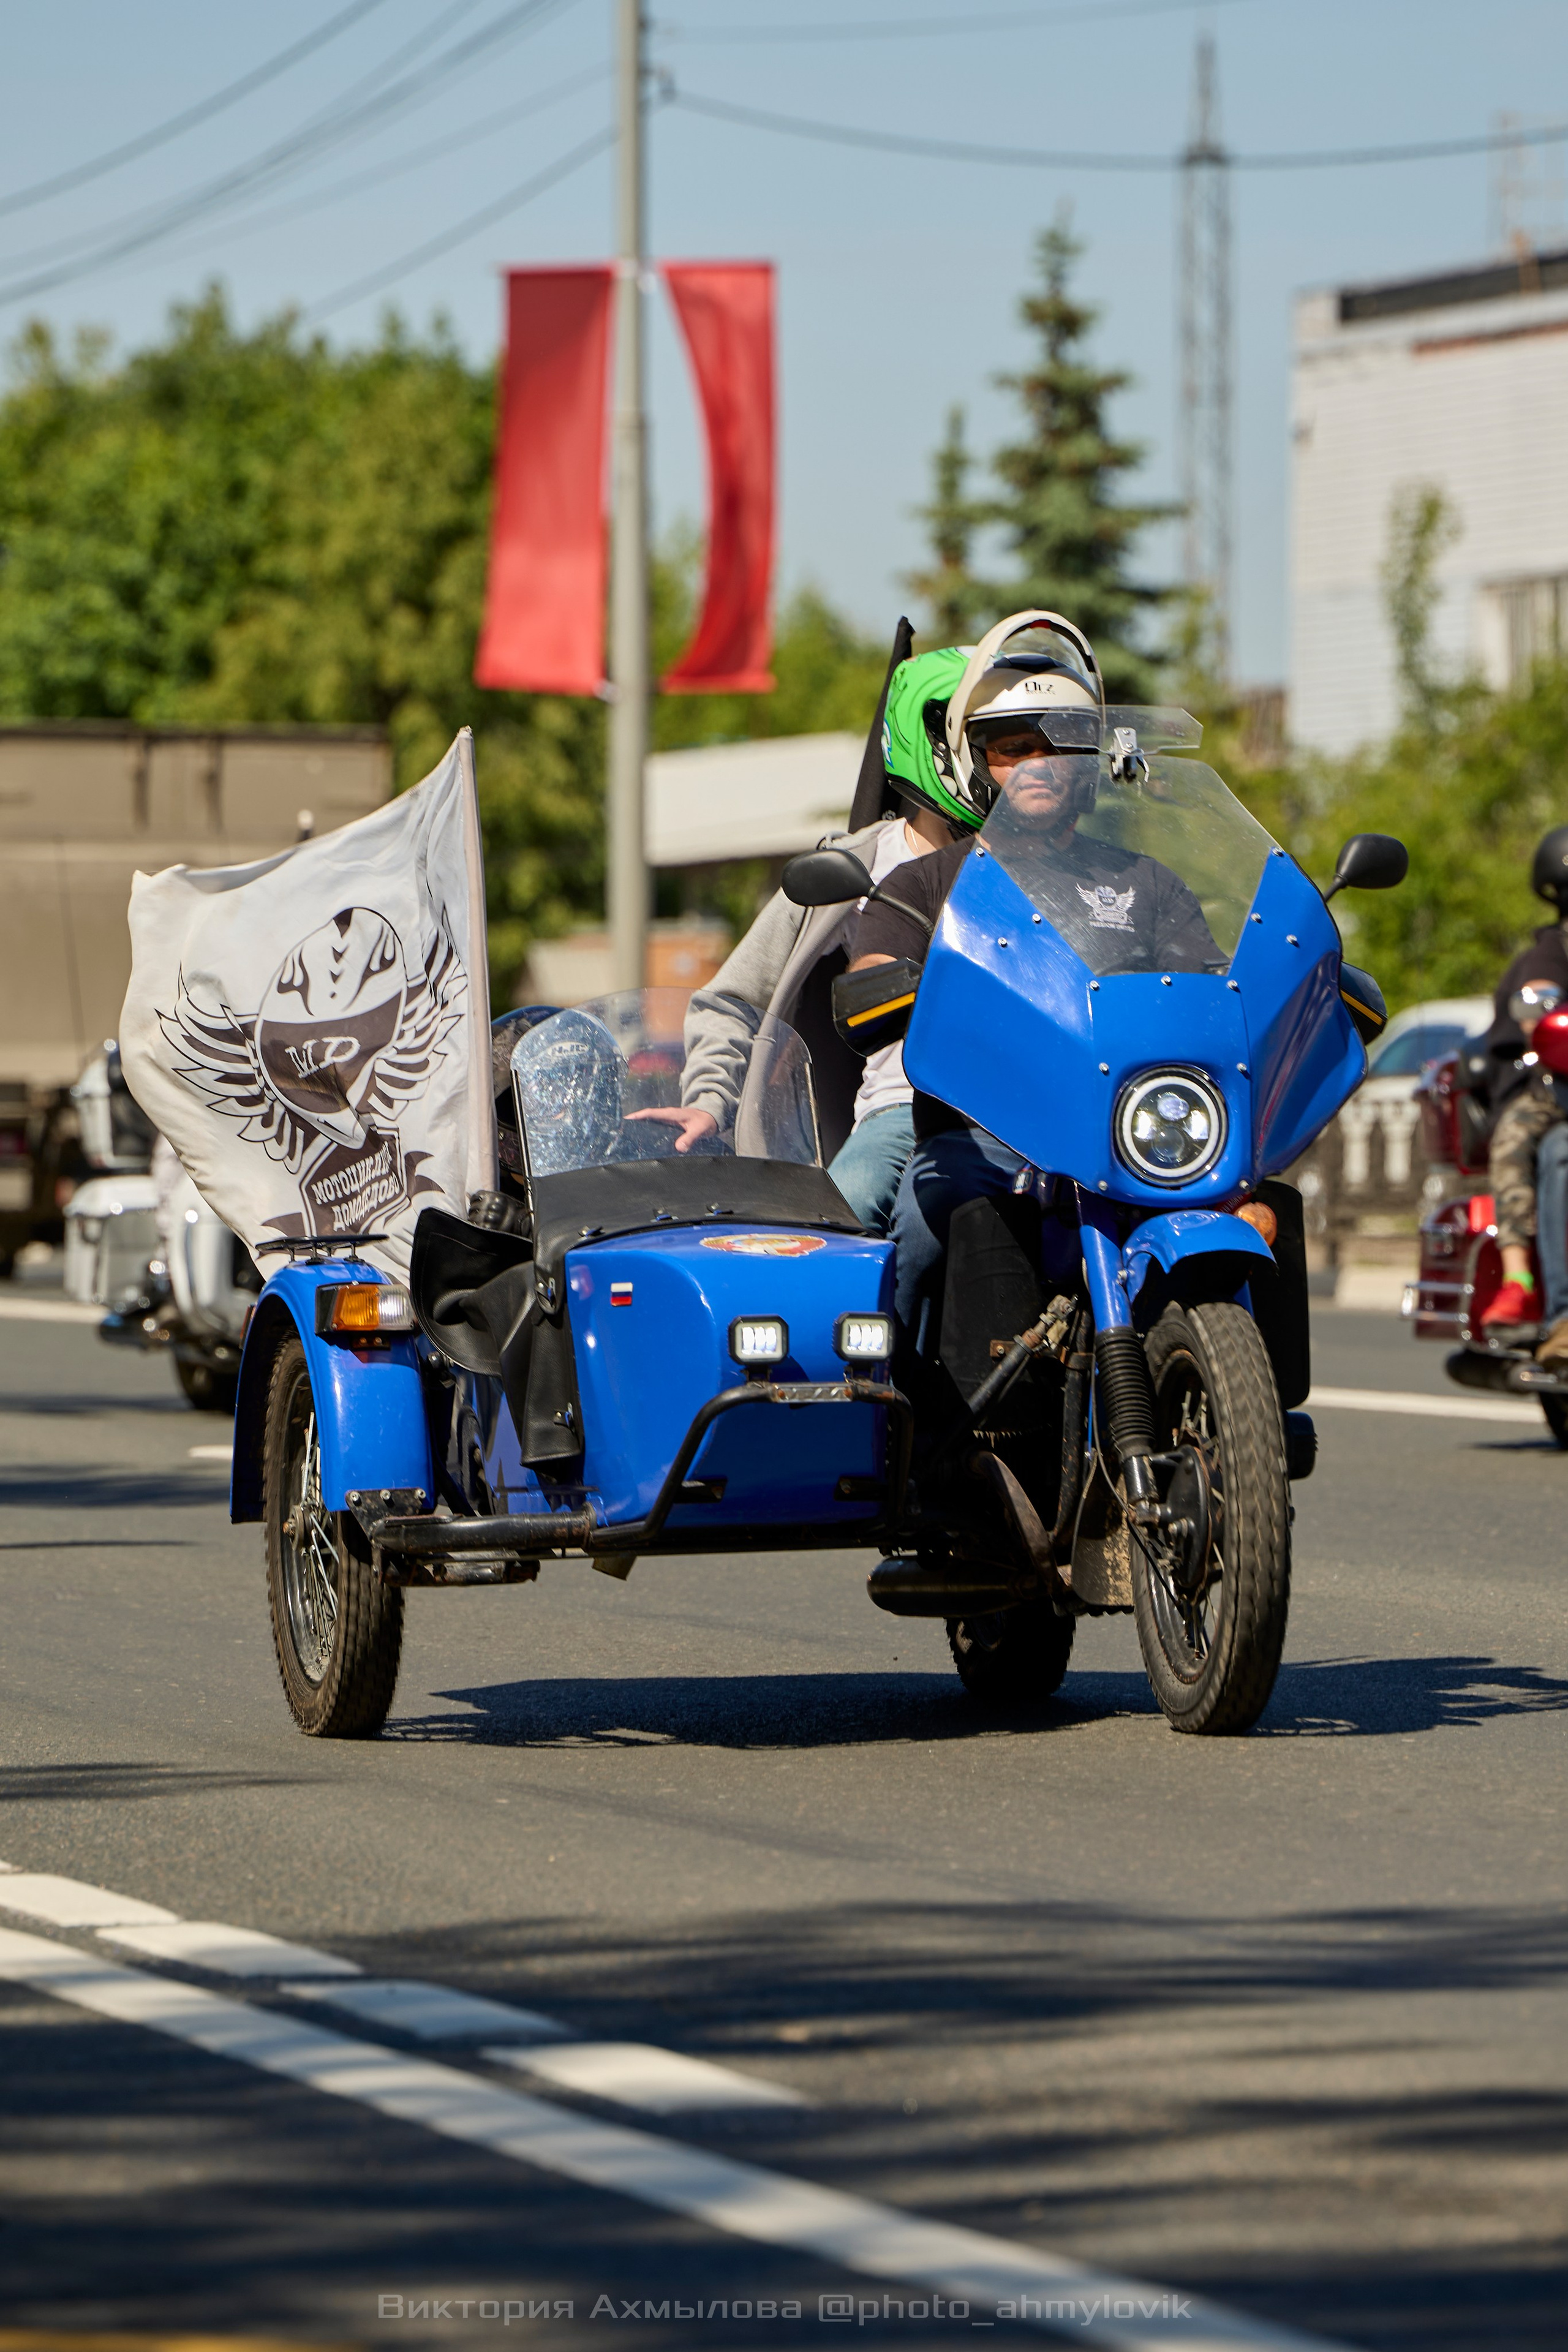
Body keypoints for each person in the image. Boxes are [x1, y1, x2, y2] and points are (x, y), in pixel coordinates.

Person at [846, 609, 1222, 1333]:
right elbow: (874, 972)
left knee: (1258, 1206)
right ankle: (897, 1424)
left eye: (1058, 749)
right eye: (1011, 749)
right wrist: (886, 985)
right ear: (977, 764)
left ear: (1090, 766)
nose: (1036, 766)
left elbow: (1206, 991)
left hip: (1122, 1130)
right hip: (978, 1132)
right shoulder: (923, 885)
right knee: (921, 1232)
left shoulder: (1146, 882)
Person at [629, 640, 988, 1230]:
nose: (1012, 762)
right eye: (986, 741)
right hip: (906, 1108)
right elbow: (735, 997)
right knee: (834, 1224)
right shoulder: (862, 864)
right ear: (937, 745)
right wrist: (709, 1099)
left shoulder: (1048, 864)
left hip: (1032, 1105)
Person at [1477, 824, 1568, 1354]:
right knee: (1554, 1150)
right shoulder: (1545, 959)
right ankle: (1527, 1286)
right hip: (1549, 1094)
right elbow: (1536, 1019)